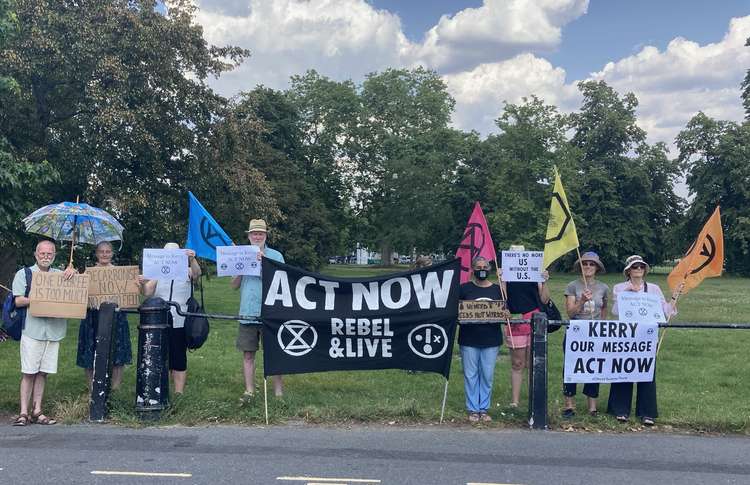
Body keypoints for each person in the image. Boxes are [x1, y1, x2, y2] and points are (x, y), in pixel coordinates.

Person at [607, 254, 679, 426]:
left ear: (645, 269)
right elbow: (615, 312)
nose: (638, 269)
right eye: (634, 267)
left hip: (647, 337)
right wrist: (626, 294)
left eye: (641, 266)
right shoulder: (619, 287)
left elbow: (666, 312)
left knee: (646, 373)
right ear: (628, 271)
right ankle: (621, 410)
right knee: (624, 370)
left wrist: (675, 297)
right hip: (626, 336)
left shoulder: (653, 289)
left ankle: (646, 412)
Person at [11, 240, 76, 426]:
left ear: (54, 255)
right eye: (42, 254)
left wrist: (73, 272)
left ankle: (37, 410)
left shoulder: (60, 275)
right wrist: (38, 297)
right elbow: (18, 301)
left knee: (43, 373)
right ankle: (23, 412)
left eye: (50, 254)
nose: (46, 257)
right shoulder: (25, 274)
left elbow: (75, 290)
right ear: (36, 254)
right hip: (32, 330)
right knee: (29, 372)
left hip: (54, 331)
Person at [231, 219, 285, 400]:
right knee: (248, 354)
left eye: (260, 233)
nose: (257, 236)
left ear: (266, 236)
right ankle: (249, 391)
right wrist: (241, 267)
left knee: (275, 354)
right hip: (247, 311)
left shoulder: (276, 256)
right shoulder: (240, 255)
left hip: (271, 313)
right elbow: (234, 286)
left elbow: (281, 283)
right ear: (248, 236)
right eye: (254, 233)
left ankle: (278, 392)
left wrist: (264, 263)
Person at [141, 243, 201, 394]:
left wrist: (192, 259)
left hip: (180, 320)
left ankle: (178, 392)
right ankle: (162, 388)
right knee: (160, 354)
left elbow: (197, 274)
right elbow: (147, 292)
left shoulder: (186, 271)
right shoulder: (156, 273)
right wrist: (146, 281)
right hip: (159, 319)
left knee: (178, 356)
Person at [77, 241, 132, 389]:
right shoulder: (88, 273)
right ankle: (92, 390)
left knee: (118, 355)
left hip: (116, 316)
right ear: (96, 254)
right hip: (92, 317)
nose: (104, 254)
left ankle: (115, 389)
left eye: (108, 251)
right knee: (90, 353)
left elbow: (129, 294)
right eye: (101, 251)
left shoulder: (121, 274)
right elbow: (79, 294)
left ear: (112, 254)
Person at [500, 244, 550, 408]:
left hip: (534, 320)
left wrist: (544, 281)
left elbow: (544, 300)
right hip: (515, 320)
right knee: (517, 363)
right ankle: (515, 401)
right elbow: (503, 300)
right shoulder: (506, 277)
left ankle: (533, 399)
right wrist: (501, 281)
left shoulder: (535, 275)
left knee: (532, 363)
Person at [562, 251, 609, 417]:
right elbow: (570, 313)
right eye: (585, 263)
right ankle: (569, 405)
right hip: (576, 332)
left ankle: (592, 407)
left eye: (592, 264)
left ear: (597, 267)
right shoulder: (572, 286)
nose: (588, 266)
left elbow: (604, 308)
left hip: (595, 333)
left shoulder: (603, 287)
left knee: (594, 366)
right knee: (572, 366)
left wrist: (601, 326)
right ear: (580, 266)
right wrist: (581, 301)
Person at [458, 256, 504, 422]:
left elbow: (507, 310)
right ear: (473, 269)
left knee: (487, 375)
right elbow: (455, 310)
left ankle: (483, 408)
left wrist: (505, 313)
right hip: (468, 338)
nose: (482, 269)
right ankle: (472, 409)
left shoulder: (498, 289)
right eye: (478, 266)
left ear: (490, 269)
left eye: (485, 266)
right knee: (470, 375)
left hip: (491, 339)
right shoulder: (463, 289)